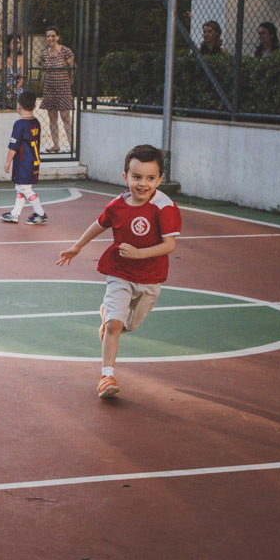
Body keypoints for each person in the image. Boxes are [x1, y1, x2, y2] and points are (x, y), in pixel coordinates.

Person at [56, 144, 181, 399]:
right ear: (125, 177)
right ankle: (106, 376)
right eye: (136, 177)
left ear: (160, 180)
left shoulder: (164, 207)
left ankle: (109, 317)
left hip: (150, 278)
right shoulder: (117, 205)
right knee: (114, 325)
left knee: (129, 325)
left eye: (150, 178)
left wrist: (139, 253)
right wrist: (77, 246)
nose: (143, 184)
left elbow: (169, 245)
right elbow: (99, 224)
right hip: (119, 272)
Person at [0, 90, 46, 225]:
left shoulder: (20, 124)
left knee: (25, 188)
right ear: (34, 106)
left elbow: (13, 146)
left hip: (24, 162)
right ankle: (15, 214)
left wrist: (8, 161)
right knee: (20, 187)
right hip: (32, 161)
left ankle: (40, 213)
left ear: (18, 105)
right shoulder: (35, 122)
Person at [37, 26, 75, 153]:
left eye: (53, 36)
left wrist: (71, 79)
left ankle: (72, 145)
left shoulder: (66, 51)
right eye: (48, 36)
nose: (50, 38)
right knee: (52, 117)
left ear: (58, 37)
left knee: (65, 117)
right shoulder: (44, 54)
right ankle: (55, 145)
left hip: (63, 88)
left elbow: (72, 67)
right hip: (49, 88)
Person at [0, 34, 25, 103]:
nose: (17, 45)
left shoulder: (22, 58)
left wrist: (16, 87)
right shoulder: (1, 59)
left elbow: (23, 77)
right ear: (8, 45)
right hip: (4, 86)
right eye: (14, 43)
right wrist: (8, 87)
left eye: (18, 43)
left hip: (18, 87)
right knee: (4, 96)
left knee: (20, 97)